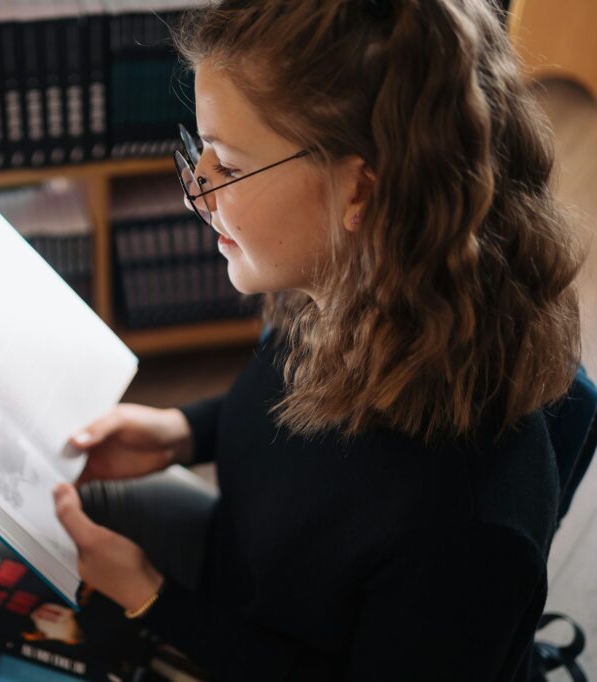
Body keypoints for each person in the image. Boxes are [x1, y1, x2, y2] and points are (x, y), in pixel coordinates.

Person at [51, 0, 583, 679]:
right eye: (201, 149)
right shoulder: (346, 283)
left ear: (361, 187)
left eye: (230, 166)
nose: (198, 189)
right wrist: (184, 431)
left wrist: (151, 603)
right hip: (235, 584)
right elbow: (294, 415)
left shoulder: (469, 525)